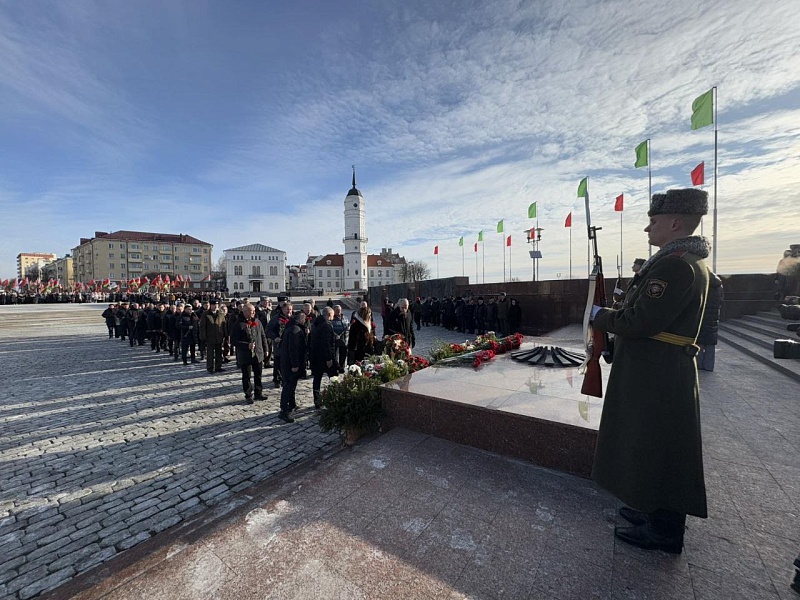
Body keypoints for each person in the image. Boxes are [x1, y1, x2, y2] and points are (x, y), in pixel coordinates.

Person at [590, 188, 711, 554]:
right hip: (657, 369)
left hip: (659, 374)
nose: (647, 228)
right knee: (654, 444)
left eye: (654, 221)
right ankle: (656, 513)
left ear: (675, 223)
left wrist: (599, 317)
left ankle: (666, 530)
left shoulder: (676, 265)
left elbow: (641, 320)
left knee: (665, 447)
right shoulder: (678, 259)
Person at [231, 303, 268, 404]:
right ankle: (248, 394)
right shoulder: (238, 324)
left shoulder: (257, 321)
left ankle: (258, 393)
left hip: (258, 353)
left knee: (258, 374)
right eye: (252, 311)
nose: (254, 313)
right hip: (245, 355)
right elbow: (233, 341)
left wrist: (266, 349)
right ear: (245, 312)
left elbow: (263, 336)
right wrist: (246, 345)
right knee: (246, 376)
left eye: (254, 311)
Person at [279, 311, 307, 422]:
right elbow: (293, 349)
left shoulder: (291, 327)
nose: (305, 321)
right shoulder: (295, 330)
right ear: (300, 319)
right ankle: (284, 411)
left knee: (291, 385)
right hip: (290, 364)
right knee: (288, 386)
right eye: (304, 319)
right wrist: (295, 364)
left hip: (287, 362)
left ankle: (292, 405)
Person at [310, 306, 337, 409]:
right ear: (329, 315)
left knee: (317, 379)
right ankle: (333, 397)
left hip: (315, 356)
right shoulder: (326, 325)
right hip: (324, 357)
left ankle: (317, 401)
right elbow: (326, 343)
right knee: (333, 377)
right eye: (332, 316)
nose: (333, 318)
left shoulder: (316, 323)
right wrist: (329, 358)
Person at [697, 271, 723, 371]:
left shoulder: (704, 284)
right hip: (714, 317)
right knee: (711, 343)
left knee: (700, 342)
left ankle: (699, 365)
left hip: (702, 316)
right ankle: (709, 366)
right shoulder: (719, 286)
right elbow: (721, 300)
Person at [200, 298, 228, 373]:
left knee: (219, 353)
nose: (215, 306)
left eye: (216, 305)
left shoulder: (221, 314)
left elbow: (223, 325)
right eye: (213, 305)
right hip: (210, 337)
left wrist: (226, 335)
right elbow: (202, 326)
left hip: (219, 336)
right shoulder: (206, 314)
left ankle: (218, 367)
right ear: (210, 305)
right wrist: (203, 337)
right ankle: (210, 367)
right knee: (210, 354)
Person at [331, 305, 349, 372]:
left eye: (339, 310)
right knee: (335, 354)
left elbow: (347, 325)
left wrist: (348, 328)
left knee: (343, 354)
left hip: (344, 338)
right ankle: (335, 367)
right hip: (335, 339)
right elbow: (330, 328)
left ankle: (341, 367)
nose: (338, 311)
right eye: (337, 310)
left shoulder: (344, 318)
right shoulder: (332, 318)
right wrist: (335, 335)